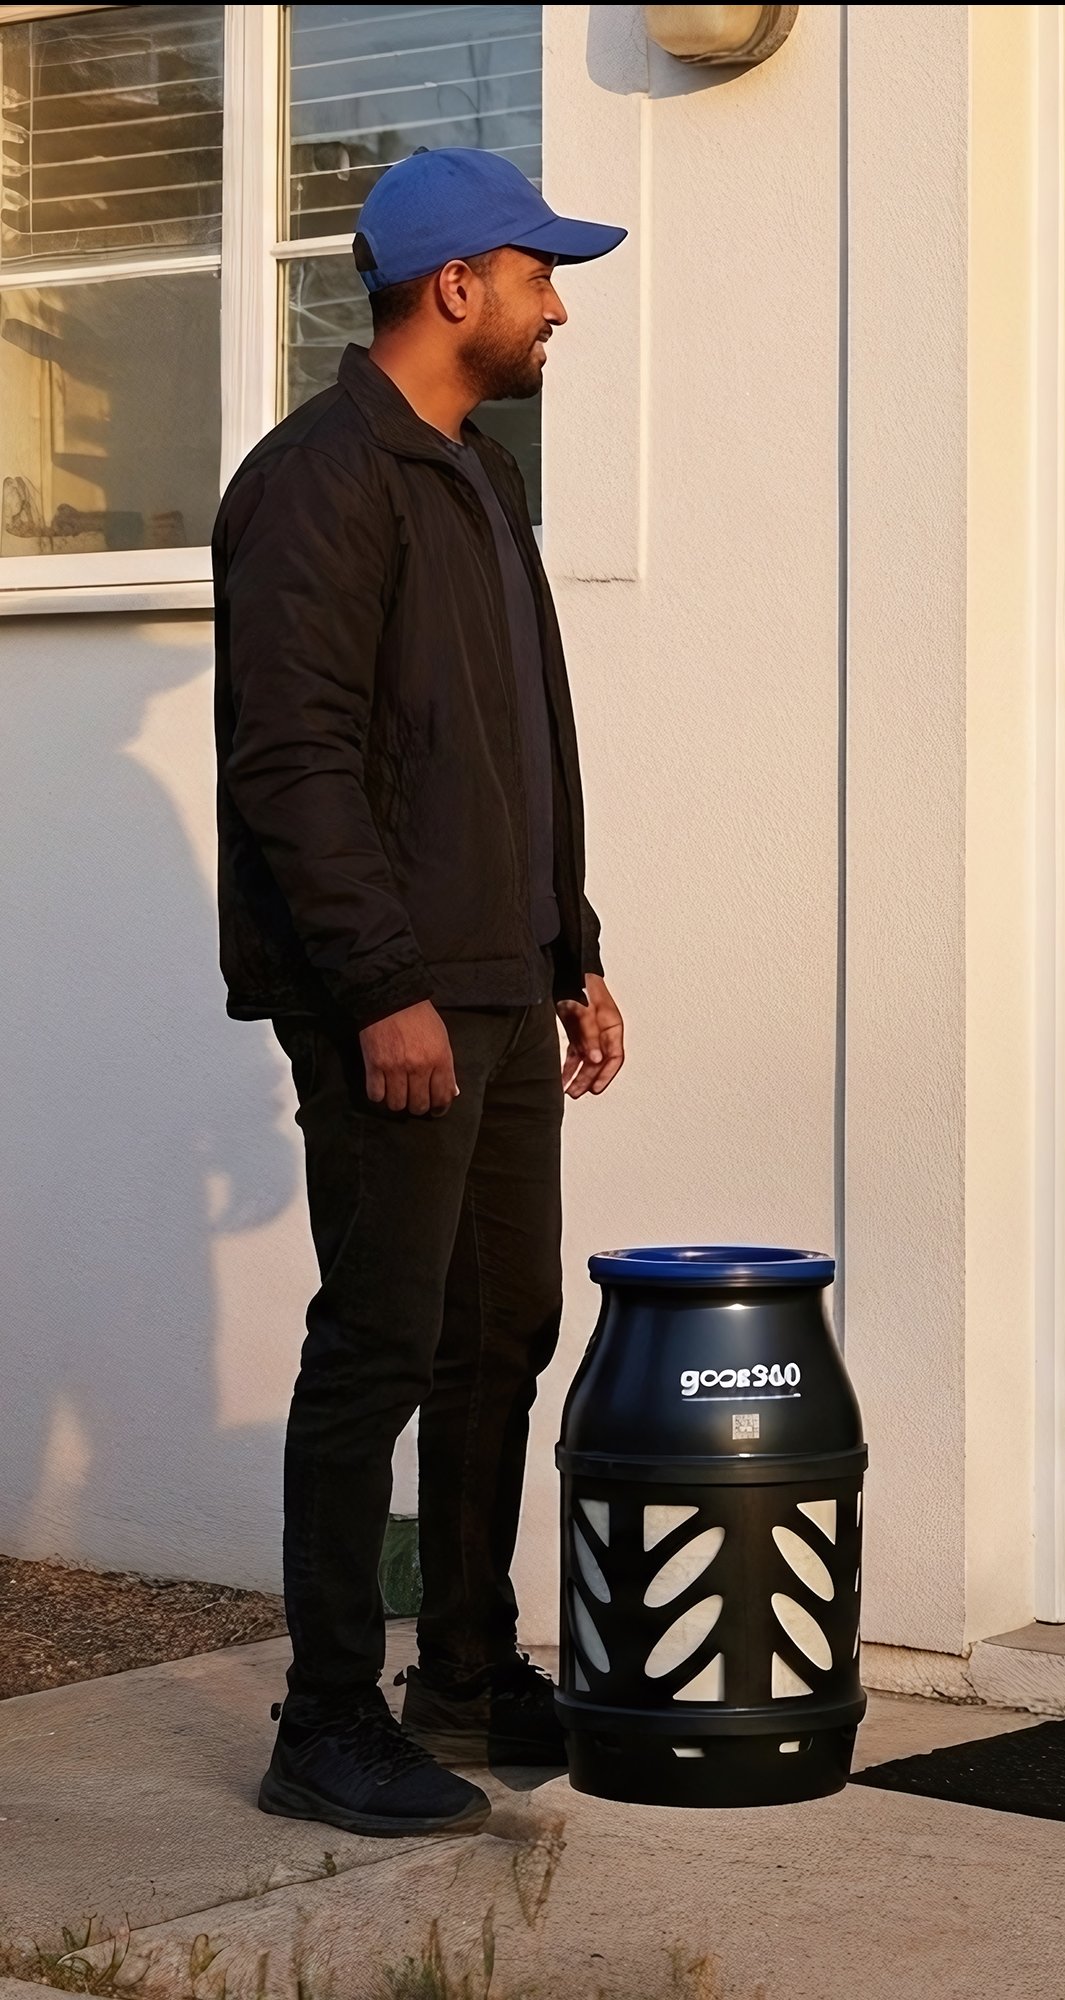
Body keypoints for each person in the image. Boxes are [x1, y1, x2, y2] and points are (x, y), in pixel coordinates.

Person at [212, 149, 630, 1835]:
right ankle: (323, 1718)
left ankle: (461, 1668)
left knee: (496, 1335)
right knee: (377, 1343)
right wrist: (380, 986)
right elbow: (293, 762)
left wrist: (569, 944)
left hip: (494, 975)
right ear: (456, 285)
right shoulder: (318, 480)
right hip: (392, 994)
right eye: (542, 273)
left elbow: (520, 724)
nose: (555, 307)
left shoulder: (481, 474)